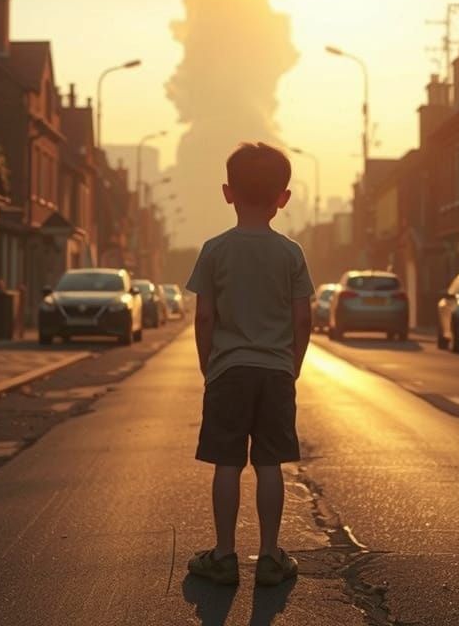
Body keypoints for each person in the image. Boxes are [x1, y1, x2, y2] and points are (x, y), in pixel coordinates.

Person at [186, 142, 314, 588]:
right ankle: (271, 556)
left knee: (226, 462)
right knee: (269, 463)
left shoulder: (214, 250)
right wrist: (291, 365)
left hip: (228, 370)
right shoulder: (291, 253)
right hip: (276, 371)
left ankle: (223, 555)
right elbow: (303, 317)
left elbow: (203, 316)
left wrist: (209, 365)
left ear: (227, 192)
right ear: (284, 197)